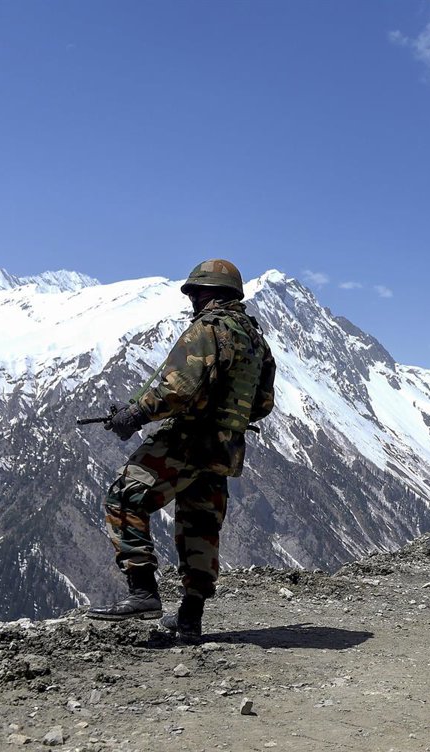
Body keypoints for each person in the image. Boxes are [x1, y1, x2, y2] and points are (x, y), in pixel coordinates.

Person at [87, 259, 276, 643]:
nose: (192, 300)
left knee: (124, 497)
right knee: (199, 524)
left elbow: (177, 388)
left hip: (188, 439)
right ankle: (190, 616)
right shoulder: (256, 341)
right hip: (224, 448)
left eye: (195, 293)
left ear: (208, 293)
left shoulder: (207, 330)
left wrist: (133, 415)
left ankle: (143, 592)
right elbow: (263, 403)